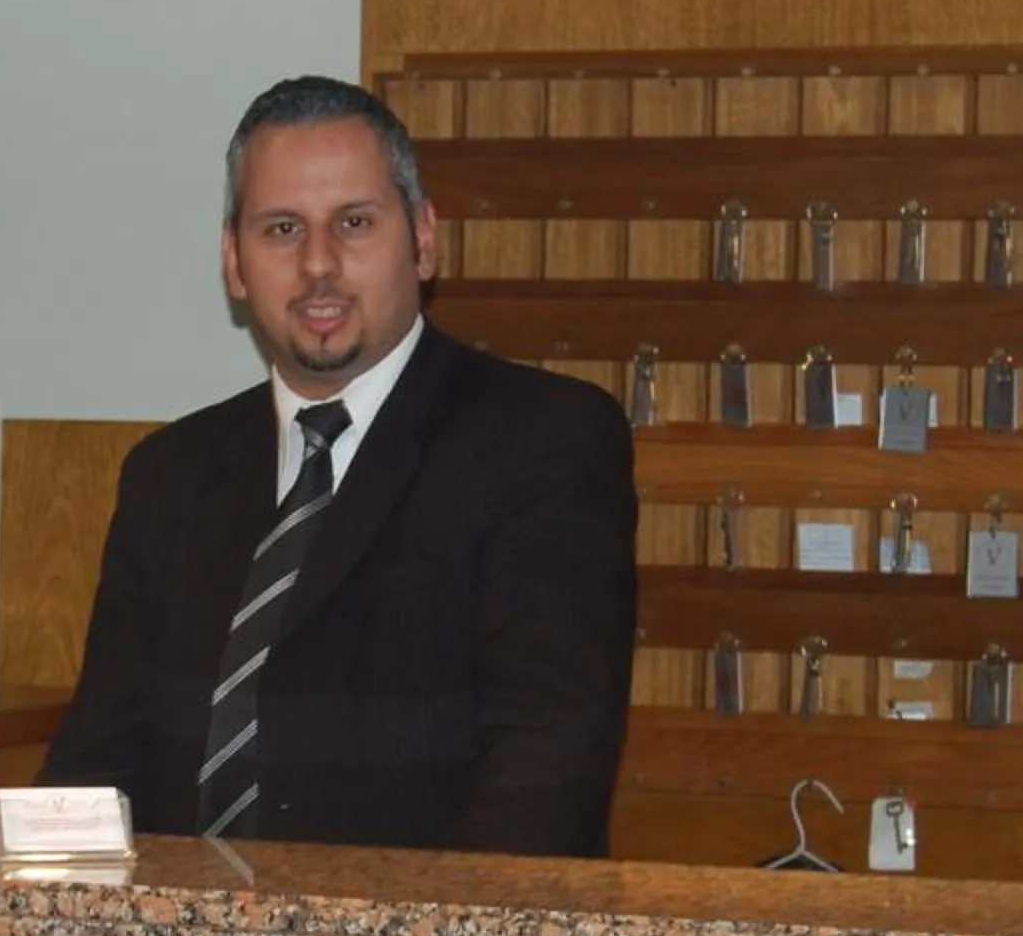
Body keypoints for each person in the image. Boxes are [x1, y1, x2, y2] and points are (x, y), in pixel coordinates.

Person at [38, 75, 638, 856]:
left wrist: (392, 933)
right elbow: (97, 763)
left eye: (354, 223)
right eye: (282, 229)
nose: (318, 263)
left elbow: (545, 772)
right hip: (178, 927)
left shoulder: (541, 442)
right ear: (234, 262)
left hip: (421, 929)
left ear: (424, 240)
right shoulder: (169, 476)